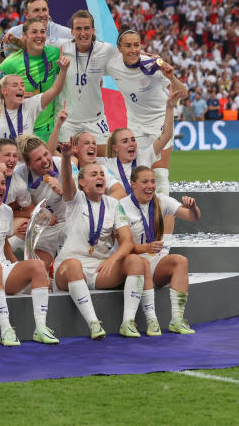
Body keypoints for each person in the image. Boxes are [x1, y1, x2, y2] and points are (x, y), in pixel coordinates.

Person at [54, 142, 147, 340]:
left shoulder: (113, 204)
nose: (100, 177)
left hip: (99, 268)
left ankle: (128, 322)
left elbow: (127, 242)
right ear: (82, 183)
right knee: (73, 264)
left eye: (102, 174)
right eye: (94, 174)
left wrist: (112, 260)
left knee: (136, 261)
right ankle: (94, 324)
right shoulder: (75, 199)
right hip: (68, 268)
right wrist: (65, 157)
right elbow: (67, 183)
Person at [0, 164, 59, 346]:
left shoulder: (6, 211)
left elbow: (3, 242)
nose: (1, 187)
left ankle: (41, 328)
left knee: (37, 265)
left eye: (3, 183)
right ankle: (6, 329)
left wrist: (17, 265)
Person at [105, 29, 187, 197]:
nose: (133, 49)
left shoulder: (153, 65)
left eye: (136, 45)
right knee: (132, 172)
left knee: (160, 173)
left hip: (160, 121)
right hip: (135, 124)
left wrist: (171, 77)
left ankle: (162, 216)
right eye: (128, 45)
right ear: (119, 48)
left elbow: (183, 93)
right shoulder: (112, 65)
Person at [121, 166, 201, 335]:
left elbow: (192, 217)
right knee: (141, 262)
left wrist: (192, 207)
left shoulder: (161, 200)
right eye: (145, 182)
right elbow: (123, 245)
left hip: (155, 262)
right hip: (131, 263)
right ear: (133, 184)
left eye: (152, 181)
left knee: (180, 261)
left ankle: (177, 320)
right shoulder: (122, 206)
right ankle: (152, 321)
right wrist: (145, 248)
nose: (150, 185)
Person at [0, 18, 62, 140]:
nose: (39, 36)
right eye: (34, 32)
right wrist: (12, 96)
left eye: (42, 32)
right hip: (21, 127)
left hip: (47, 126)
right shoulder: (12, 62)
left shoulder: (54, 54)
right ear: (24, 36)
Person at [56, 10, 118, 153]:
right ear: (72, 31)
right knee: (70, 165)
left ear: (93, 30)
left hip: (95, 120)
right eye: (78, 29)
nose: (83, 33)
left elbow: (125, 62)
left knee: (106, 161)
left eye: (86, 28)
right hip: (69, 122)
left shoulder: (106, 50)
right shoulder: (61, 47)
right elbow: (35, 44)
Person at [104, 91, 180, 196]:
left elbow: (166, 135)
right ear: (115, 147)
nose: (131, 144)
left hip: (143, 209)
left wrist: (170, 108)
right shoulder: (107, 165)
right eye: (125, 141)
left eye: (133, 140)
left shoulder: (145, 156)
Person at [11, 134, 67, 269]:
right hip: (42, 227)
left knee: (68, 267)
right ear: (29, 164)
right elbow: (12, 209)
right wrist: (35, 215)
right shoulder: (20, 174)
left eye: (46, 154)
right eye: (38, 159)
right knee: (37, 267)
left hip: (67, 224)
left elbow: (80, 199)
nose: (45, 160)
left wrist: (62, 191)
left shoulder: (64, 164)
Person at [0, 60, 67, 141]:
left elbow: (55, 90)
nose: (20, 88)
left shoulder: (31, 104)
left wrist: (63, 70)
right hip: (0, 155)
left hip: (23, 155)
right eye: (15, 85)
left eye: (22, 85)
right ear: (4, 90)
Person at [2, 0, 74, 55]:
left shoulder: (65, 34)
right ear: (26, 15)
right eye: (36, 10)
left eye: (44, 10)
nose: (41, 14)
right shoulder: (13, 33)